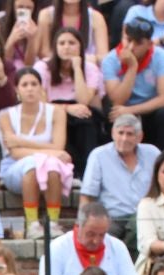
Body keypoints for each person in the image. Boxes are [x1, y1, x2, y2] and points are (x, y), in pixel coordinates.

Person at [0, 66, 74, 233]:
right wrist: (52, 152)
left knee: (52, 166)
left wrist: (20, 141)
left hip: (49, 168)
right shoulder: (6, 116)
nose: (30, 89)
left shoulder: (56, 112)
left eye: (34, 84)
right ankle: (32, 223)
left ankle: (53, 222)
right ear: (17, 89)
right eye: (25, 85)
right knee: (34, 164)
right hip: (15, 169)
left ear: (41, 88)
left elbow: (58, 146)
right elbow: (16, 153)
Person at [46, 200, 142, 275]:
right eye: (90, 234)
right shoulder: (57, 247)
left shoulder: (117, 247)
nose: (96, 241)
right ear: (78, 227)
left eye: (102, 235)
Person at [38, 25, 107, 178]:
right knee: (63, 122)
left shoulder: (89, 68)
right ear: (55, 47)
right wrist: (66, 109)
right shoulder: (43, 67)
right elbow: (40, 104)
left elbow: (84, 100)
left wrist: (77, 68)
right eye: (61, 43)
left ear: (80, 46)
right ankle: (70, 172)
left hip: (80, 110)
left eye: (71, 43)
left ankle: (87, 173)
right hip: (52, 111)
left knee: (86, 120)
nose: (66, 47)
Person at [100, 16, 164, 149]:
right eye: (128, 40)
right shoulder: (110, 60)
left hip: (148, 110)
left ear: (149, 44)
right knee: (110, 111)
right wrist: (132, 68)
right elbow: (117, 99)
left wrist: (131, 109)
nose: (131, 47)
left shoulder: (161, 56)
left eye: (138, 43)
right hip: (122, 110)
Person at [81, 113, 161, 241]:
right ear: (113, 133)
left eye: (129, 134)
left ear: (139, 137)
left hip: (146, 216)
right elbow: (87, 195)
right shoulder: (99, 155)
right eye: (120, 133)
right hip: (112, 218)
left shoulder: (152, 153)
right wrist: (82, 225)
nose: (124, 138)